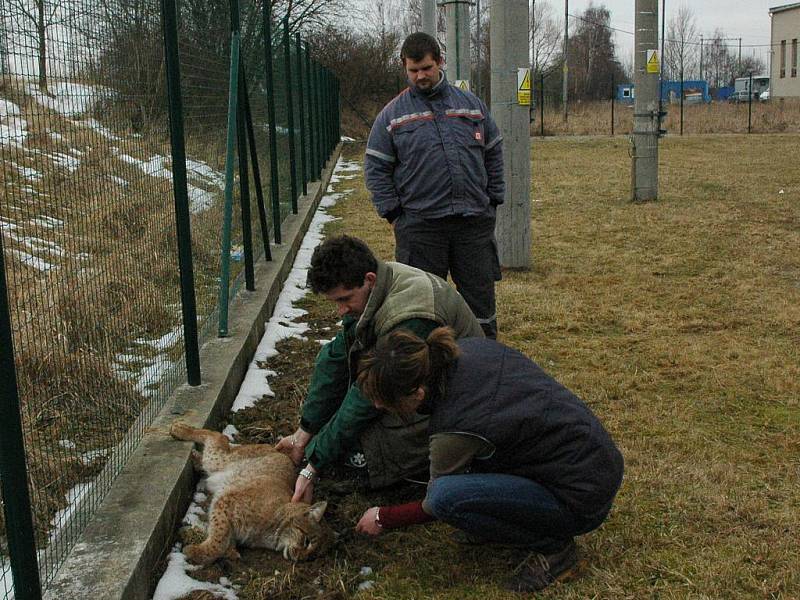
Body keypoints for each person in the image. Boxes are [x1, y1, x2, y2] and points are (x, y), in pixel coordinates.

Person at [354, 327, 624, 593]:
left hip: (579, 499)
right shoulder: (469, 349)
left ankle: (554, 548)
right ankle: (500, 521)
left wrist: (383, 517)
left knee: (446, 497)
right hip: (597, 464)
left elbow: (432, 504)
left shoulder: (454, 427)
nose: (378, 406)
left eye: (384, 401)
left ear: (417, 394)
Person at [275, 236, 484, 503]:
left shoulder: (409, 317)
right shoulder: (380, 285)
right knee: (336, 438)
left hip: (449, 400)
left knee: (352, 461)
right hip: (415, 384)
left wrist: (314, 464)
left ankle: (419, 472)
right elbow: (337, 359)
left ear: (369, 279)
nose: (340, 311)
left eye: (345, 299)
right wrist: (305, 433)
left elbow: (366, 397)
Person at [365, 32, 505, 339]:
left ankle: (485, 360)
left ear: (440, 61)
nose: (421, 76)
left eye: (426, 68)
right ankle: (428, 367)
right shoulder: (392, 116)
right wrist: (394, 214)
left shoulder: (471, 106)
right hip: (421, 229)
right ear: (404, 67)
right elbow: (376, 168)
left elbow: (494, 150)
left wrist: (493, 198)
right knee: (423, 306)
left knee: (480, 304)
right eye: (413, 70)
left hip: (472, 224)